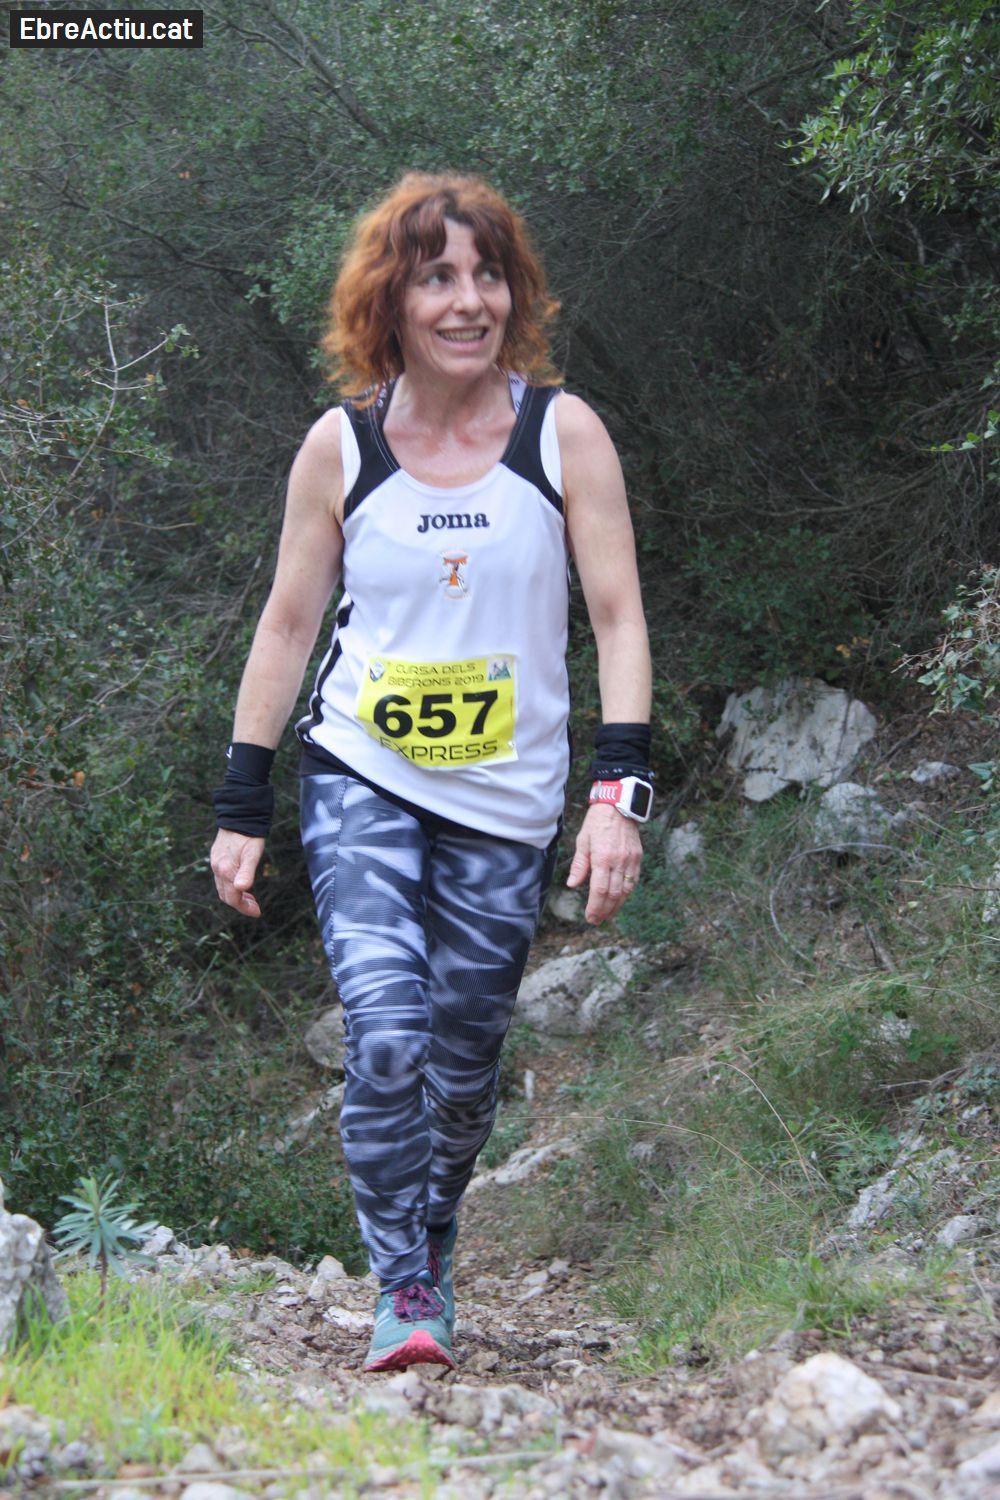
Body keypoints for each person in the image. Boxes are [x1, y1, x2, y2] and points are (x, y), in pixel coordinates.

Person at [210, 172, 653, 1373]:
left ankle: (435, 1233)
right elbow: (287, 627)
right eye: (436, 277)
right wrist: (243, 799)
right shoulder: (341, 447)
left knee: (461, 1067)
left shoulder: (561, 435)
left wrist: (617, 794)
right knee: (386, 1032)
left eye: (486, 274)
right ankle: (403, 1284)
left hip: (506, 799)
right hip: (363, 772)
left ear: (514, 292)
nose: (468, 301)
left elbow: (616, 617)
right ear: (389, 301)